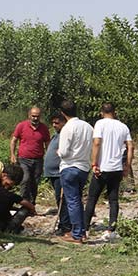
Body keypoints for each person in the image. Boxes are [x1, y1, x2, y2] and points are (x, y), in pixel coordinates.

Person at [83, 103, 134, 242]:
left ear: (101, 112)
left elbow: (97, 142)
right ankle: (111, 229)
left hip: (103, 167)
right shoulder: (123, 126)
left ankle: (84, 229)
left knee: (92, 198)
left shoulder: (100, 124)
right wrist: (127, 166)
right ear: (114, 112)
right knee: (113, 199)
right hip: (116, 168)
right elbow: (130, 146)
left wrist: (94, 163)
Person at [56, 101, 93, 244]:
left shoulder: (67, 128)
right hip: (83, 167)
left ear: (62, 112)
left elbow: (64, 152)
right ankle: (81, 231)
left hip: (69, 166)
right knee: (78, 200)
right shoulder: (88, 127)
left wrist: (59, 152)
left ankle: (77, 234)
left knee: (72, 201)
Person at [10, 106, 51, 208]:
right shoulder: (21, 126)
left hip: (38, 159)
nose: (35, 118)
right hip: (24, 159)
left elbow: (47, 143)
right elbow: (13, 140)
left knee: (35, 182)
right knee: (25, 179)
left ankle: (31, 204)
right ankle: (23, 202)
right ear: (29, 116)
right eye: (33, 116)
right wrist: (12, 155)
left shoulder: (44, 128)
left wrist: (48, 156)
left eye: (37, 116)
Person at [43, 113, 71, 236]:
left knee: (62, 200)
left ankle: (65, 226)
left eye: (57, 123)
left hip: (59, 173)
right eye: (53, 123)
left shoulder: (65, 135)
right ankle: (64, 223)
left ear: (64, 122)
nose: (54, 125)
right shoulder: (56, 135)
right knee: (58, 199)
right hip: (52, 173)